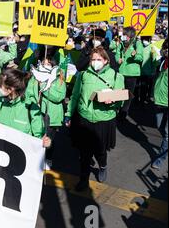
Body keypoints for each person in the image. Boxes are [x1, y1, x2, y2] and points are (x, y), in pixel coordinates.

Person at [66, 47, 125, 191]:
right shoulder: (83, 75)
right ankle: (83, 179)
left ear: (106, 61)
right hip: (84, 118)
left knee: (100, 150)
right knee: (84, 153)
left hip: (104, 119)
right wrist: (68, 114)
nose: (95, 62)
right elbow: (75, 96)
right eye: (93, 59)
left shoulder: (116, 76)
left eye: (99, 59)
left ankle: (103, 166)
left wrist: (112, 101)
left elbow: (121, 99)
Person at [26, 52, 66, 169]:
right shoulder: (34, 78)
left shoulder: (59, 79)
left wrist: (44, 86)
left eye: (48, 63)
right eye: (43, 63)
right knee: (36, 137)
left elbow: (58, 97)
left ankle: (48, 158)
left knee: (48, 139)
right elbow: (29, 93)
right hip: (37, 113)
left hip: (51, 115)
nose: (45, 65)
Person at [116, 26, 144, 121]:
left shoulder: (137, 43)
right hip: (121, 71)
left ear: (130, 35)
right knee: (119, 93)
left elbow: (140, 57)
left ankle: (123, 113)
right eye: (123, 34)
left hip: (131, 73)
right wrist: (118, 59)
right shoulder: (122, 43)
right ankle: (118, 109)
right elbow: (117, 53)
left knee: (128, 95)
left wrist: (134, 55)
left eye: (125, 34)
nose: (123, 36)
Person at [151, 39, 168, 169]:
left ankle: (160, 158)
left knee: (167, 133)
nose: (166, 50)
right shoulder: (162, 61)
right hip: (159, 101)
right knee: (159, 126)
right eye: (165, 48)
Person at [137, 35, 160, 105]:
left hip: (147, 72)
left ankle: (142, 100)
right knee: (137, 87)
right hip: (138, 71)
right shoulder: (138, 46)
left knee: (144, 87)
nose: (145, 41)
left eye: (147, 39)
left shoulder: (152, 48)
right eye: (144, 39)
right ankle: (136, 99)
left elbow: (155, 62)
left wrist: (153, 55)